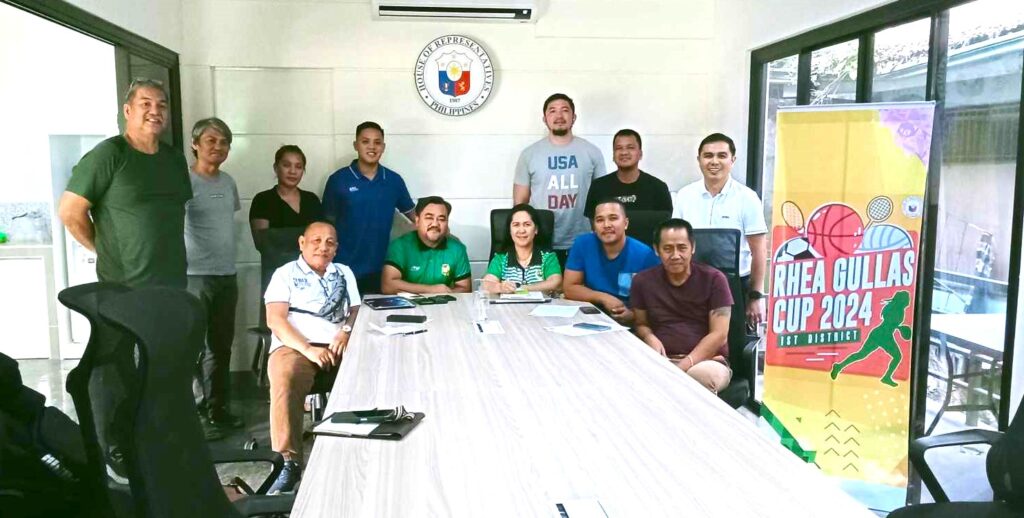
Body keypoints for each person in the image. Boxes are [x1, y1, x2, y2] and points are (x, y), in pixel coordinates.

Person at [57, 78, 191, 288]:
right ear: (128, 111)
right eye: (145, 104)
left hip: (174, 285)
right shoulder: (109, 154)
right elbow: (69, 212)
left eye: (161, 105)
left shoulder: (175, 158)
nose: (155, 111)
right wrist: (103, 250)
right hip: (125, 289)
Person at [263, 221, 361, 494]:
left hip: (340, 344)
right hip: (295, 346)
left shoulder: (344, 272)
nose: (323, 246)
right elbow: (275, 319)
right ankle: (287, 463)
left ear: (337, 248)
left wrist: (345, 331)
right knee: (286, 378)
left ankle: (364, 451)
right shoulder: (285, 274)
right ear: (301, 243)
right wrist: (307, 349)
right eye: (316, 240)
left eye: (330, 242)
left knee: (378, 367)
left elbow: (354, 309)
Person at [183, 117, 243, 439]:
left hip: (226, 275)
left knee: (221, 348)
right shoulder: (184, 181)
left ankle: (218, 410)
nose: (218, 147)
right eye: (211, 141)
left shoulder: (228, 182)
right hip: (195, 277)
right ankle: (196, 412)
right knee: (193, 348)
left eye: (223, 143)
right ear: (195, 144)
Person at [673, 133, 767, 329]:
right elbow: (675, 243)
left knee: (731, 346)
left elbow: (759, 251)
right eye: (708, 156)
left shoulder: (747, 198)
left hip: (734, 287)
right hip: (691, 284)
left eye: (721, 156)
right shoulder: (685, 196)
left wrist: (756, 296)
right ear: (699, 160)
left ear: (732, 160)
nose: (714, 161)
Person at [631, 219, 734, 393]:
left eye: (682, 248)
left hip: (707, 362)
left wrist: (683, 366)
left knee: (698, 379)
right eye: (668, 249)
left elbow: (720, 335)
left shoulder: (715, 279)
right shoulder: (643, 281)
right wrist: (649, 337)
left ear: (692, 248)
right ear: (657, 250)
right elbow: (641, 323)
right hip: (660, 359)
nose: (675, 255)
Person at [513, 93, 607, 267]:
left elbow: (602, 200)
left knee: (580, 292)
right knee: (546, 292)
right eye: (552, 111)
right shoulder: (529, 154)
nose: (559, 116)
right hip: (542, 240)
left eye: (565, 110)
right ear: (544, 119)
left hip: (583, 241)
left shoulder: (591, 152)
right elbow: (520, 203)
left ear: (574, 117)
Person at [323, 121, 415, 295]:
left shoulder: (394, 181)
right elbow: (326, 228)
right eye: (365, 141)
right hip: (343, 269)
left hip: (382, 270)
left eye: (377, 142)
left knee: (379, 320)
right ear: (356, 145)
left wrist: (441, 229)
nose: (372, 147)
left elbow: (414, 217)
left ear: (383, 146)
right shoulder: (338, 180)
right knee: (346, 320)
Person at [563, 199, 660, 325]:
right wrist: (604, 298)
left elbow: (658, 303)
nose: (606, 225)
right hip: (590, 317)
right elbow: (570, 288)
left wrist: (634, 316)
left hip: (630, 325)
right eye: (600, 220)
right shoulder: (582, 244)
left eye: (613, 218)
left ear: (626, 223)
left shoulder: (645, 255)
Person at [381, 196, 471, 295]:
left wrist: (444, 296)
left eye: (441, 219)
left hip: (443, 306)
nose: (435, 224)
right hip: (408, 307)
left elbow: (465, 289)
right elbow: (387, 286)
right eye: (429, 218)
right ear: (417, 221)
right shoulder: (399, 246)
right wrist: (432, 290)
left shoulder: (457, 249)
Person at [584, 129, 672, 218]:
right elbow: (593, 223)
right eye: (619, 148)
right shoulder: (598, 187)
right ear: (613, 155)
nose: (624, 152)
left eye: (630, 147)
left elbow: (665, 224)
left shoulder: (658, 188)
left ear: (640, 154)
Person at [249, 145, 324, 249]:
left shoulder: (311, 199)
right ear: (276, 168)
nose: (292, 171)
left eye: (298, 167)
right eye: (286, 165)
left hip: (311, 264)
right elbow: (262, 243)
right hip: (277, 264)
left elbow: (322, 238)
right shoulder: (263, 200)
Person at [482, 203, 562, 294]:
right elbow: (487, 284)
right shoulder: (500, 258)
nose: (522, 230)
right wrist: (500, 287)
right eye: (516, 225)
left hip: (540, 307)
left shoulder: (548, 257)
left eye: (527, 224)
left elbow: (556, 283)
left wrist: (521, 288)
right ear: (509, 230)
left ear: (536, 229)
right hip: (508, 307)